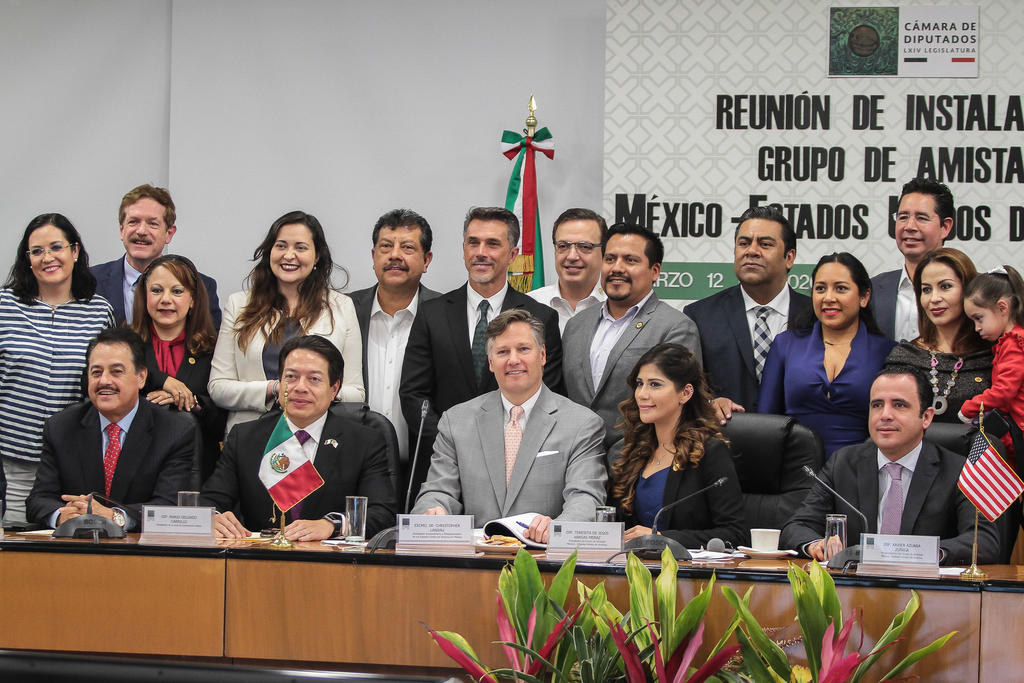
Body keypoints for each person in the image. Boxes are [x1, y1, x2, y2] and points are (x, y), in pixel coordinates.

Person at [400, 207, 563, 504]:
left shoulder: (541, 317)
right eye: (473, 243)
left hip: (515, 470)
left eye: (492, 244)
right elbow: (414, 395)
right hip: (442, 467)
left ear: (513, 254)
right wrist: (454, 447)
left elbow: (544, 397)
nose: (481, 252)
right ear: (463, 249)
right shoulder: (431, 314)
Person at [412, 310, 606, 544]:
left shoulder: (582, 424)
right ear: (491, 363)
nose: (513, 360)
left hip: (543, 556)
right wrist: (433, 512)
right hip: (476, 558)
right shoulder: (456, 421)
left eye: (523, 349)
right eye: (503, 352)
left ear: (542, 355)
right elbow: (438, 491)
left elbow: (585, 498)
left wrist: (557, 528)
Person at [780, 366, 1000, 565]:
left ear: (926, 417)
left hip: (925, 589)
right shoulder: (843, 463)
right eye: (877, 405)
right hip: (856, 589)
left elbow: (984, 541)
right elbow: (795, 528)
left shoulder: (959, 470)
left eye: (899, 405)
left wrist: (925, 554)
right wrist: (815, 545)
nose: (885, 415)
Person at [201, 335, 396, 541]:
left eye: (314, 379)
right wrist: (213, 518)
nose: (300, 387)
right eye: (291, 377)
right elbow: (210, 501)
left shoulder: (363, 441)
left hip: (330, 557)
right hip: (260, 555)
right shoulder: (245, 438)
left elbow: (382, 514)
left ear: (334, 389)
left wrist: (332, 525)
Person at [0, 214, 114, 526]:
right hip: (8, 464)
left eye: (56, 247)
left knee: (63, 548)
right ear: (27, 259)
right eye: (37, 251)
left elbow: (105, 387)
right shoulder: (5, 304)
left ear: (74, 251)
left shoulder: (99, 311)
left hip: (70, 467)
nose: (47, 257)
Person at [209, 210, 364, 433]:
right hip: (251, 435)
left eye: (300, 247)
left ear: (317, 256)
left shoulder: (342, 306)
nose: (289, 255)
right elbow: (218, 387)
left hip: (318, 436)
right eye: (281, 246)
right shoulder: (239, 304)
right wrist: (275, 389)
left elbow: (356, 393)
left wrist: (310, 392)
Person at [26, 328, 196, 530]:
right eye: (96, 372)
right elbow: (39, 500)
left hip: (142, 548)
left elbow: (170, 507)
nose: (104, 381)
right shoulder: (60, 427)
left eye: (116, 372)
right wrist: (63, 516)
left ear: (141, 377)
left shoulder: (174, 431)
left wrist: (115, 517)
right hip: (77, 545)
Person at [562, 223, 701, 449]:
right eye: (610, 259)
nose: (617, 268)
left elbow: (678, 411)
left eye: (630, 260)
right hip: (575, 457)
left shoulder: (676, 327)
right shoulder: (576, 325)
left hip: (639, 457)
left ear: (655, 271)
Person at [759, 252, 895, 459]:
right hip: (794, 469)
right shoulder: (785, 345)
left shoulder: (887, 352)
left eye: (841, 288)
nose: (828, 298)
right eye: (820, 288)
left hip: (861, 468)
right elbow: (766, 421)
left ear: (864, 297)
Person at [611, 344, 746, 549]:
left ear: (685, 393)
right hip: (632, 564)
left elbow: (735, 534)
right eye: (640, 384)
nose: (642, 394)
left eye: (655, 385)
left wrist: (660, 538)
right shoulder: (633, 450)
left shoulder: (710, 451)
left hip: (686, 567)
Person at [684, 205, 811, 421]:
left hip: (802, 437)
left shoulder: (815, 316)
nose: (751, 251)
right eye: (743, 243)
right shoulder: (700, 316)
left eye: (765, 244)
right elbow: (684, 389)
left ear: (789, 258)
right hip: (726, 436)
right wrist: (709, 404)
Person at [349, 209, 439, 468]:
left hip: (426, 467)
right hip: (353, 467)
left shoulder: (444, 314)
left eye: (408, 247)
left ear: (426, 260)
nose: (395, 255)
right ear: (373, 256)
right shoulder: (344, 310)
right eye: (386, 246)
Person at [129, 254, 226, 483]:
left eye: (177, 291)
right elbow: (91, 381)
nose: (166, 299)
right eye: (156, 290)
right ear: (144, 296)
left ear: (192, 299)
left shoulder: (214, 348)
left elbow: (223, 420)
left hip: (196, 472)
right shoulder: (125, 343)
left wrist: (190, 401)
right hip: (135, 469)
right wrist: (163, 381)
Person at [884, 248, 992, 423]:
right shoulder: (905, 356)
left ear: (968, 290)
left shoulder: (996, 355)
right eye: (926, 289)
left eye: (945, 287)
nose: (934, 298)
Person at [92, 184, 221, 327]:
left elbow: (207, 338)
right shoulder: (90, 281)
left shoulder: (201, 286)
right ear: (122, 230)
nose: (141, 231)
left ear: (169, 233)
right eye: (133, 222)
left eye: (152, 223)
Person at [871, 178, 954, 341]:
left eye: (921, 218)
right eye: (903, 217)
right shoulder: (872, 290)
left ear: (945, 227)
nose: (909, 226)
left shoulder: (971, 289)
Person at [959, 265, 1024, 461]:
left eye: (979, 318)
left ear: (1002, 307)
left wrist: (969, 408)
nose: (976, 328)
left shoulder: (1013, 343)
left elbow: (1003, 391)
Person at [527, 208, 607, 332]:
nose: (572, 256)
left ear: (604, 252)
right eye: (563, 246)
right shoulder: (529, 305)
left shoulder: (618, 307)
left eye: (584, 247)